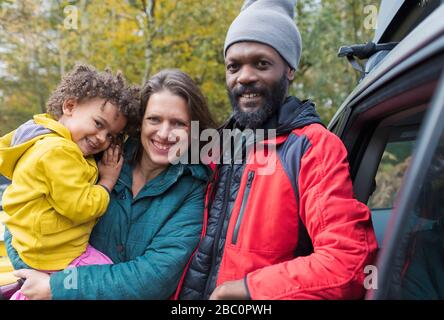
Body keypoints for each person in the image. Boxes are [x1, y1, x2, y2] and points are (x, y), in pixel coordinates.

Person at [177, 0, 378, 300]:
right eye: (234, 66)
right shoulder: (216, 147)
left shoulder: (311, 148)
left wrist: (247, 290)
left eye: (261, 63)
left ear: (289, 70)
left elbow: (347, 264)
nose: (244, 76)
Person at [4, 69, 216, 299]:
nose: (164, 133)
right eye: (154, 119)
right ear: (140, 123)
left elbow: (152, 278)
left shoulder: (192, 191)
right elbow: (23, 218)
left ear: (193, 129)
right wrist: (35, 271)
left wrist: (57, 286)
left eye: (178, 123)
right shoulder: (91, 156)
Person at [0, 64, 139, 299]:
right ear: (70, 105)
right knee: (101, 277)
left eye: (111, 136)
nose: (101, 139)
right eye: (98, 124)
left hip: (35, 241)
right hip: (50, 250)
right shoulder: (59, 151)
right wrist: (107, 181)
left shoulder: (42, 136)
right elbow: (80, 207)